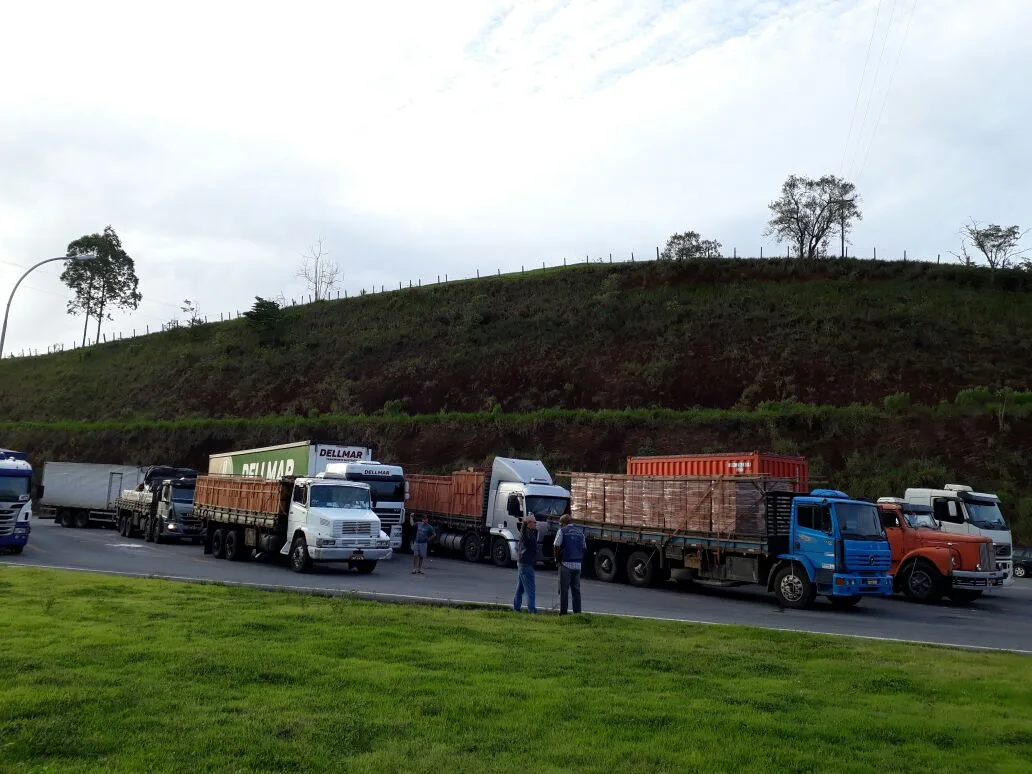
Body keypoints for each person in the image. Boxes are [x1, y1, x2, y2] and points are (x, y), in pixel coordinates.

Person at [553, 512, 586, 614]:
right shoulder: (580, 533)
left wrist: (557, 559)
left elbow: (556, 545)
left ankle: (563, 613)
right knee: (576, 590)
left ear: (563, 523)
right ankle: (577, 612)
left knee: (564, 590)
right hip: (577, 565)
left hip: (565, 564)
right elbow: (584, 548)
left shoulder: (562, 531)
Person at [513, 514, 539, 613]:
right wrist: (524, 523)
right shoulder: (526, 534)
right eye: (534, 522)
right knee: (530, 589)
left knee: (520, 588)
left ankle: (516, 608)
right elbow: (524, 533)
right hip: (526, 564)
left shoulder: (531, 533)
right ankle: (532, 610)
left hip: (523, 563)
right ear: (529, 524)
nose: (536, 524)